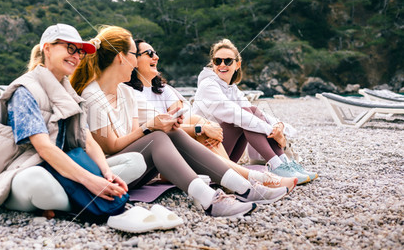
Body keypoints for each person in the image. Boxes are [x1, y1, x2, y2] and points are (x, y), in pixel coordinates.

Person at [70, 25, 288, 218]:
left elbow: (142, 127)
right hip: (112, 172)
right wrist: (151, 127)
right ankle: (210, 200)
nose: (136, 61)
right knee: (156, 137)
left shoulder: (125, 92)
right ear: (120, 57)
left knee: (169, 132)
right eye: (134, 54)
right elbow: (111, 146)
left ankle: (245, 187)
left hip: (135, 163)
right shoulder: (93, 96)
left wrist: (167, 122)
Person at [0, 23, 146, 220]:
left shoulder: (69, 93)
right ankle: (86, 200)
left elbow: (88, 142)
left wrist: (107, 174)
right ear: (47, 48)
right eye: (70, 48)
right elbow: (44, 149)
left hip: (62, 170)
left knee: (135, 162)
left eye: (80, 52)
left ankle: (76, 201)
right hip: (24, 171)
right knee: (37, 182)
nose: (76, 56)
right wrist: (91, 181)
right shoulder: (25, 91)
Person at [125, 39, 297, 192]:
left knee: (246, 113)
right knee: (235, 117)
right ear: (133, 60)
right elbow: (161, 127)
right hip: (176, 154)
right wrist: (201, 129)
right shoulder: (132, 94)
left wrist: (280, 128)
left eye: (155, 53)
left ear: (237, 65)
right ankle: (260, 175)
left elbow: (179, 118)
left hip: (212, 146)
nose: (156, 57)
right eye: (149, 53)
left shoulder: (165, 90)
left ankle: (275, 165)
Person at [192, 39, 318, 184]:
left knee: (250, 111)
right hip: (205, 155)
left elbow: (256, 113)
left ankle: (283, 163)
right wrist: (271, 130)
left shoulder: (231, 89)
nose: (222, 65)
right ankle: (277, 165)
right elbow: (234, 113)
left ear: (237, 65)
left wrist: (279, 127)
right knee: (243, 116)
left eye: (227, 61)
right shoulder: (208, 85)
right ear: (212, 64)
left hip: (224, 155)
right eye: (217, 60)